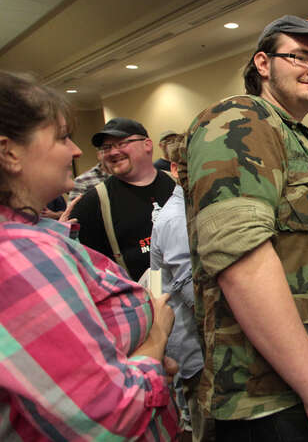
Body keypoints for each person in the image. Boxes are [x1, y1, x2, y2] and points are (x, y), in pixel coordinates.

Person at [181, 15, 308, 441]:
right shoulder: (240, 121)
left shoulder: (294, 136)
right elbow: (240, 264)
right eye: (300, 56)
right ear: (262, 64)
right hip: (269, 400)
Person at [0, 71, 179, 441]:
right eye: (62, 137)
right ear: (9, 153)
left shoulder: (171, 186)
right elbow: (107, 415)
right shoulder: (18, 254)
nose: (77, 151)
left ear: (147, 146)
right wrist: (156, 344)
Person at [150, 136, 213, 441]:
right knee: (203, 426)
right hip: (195, 345)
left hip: (204, 343)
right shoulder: (175, 218)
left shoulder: (195, 207)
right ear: (177, 169)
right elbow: (191, 290)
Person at [70, 117, 176, 281]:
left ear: (147, 144)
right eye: (107, 147)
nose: (113, 152)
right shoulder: (93, 203)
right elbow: (88, 271)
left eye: (121, 144)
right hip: (144, 303)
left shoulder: (180, 185)